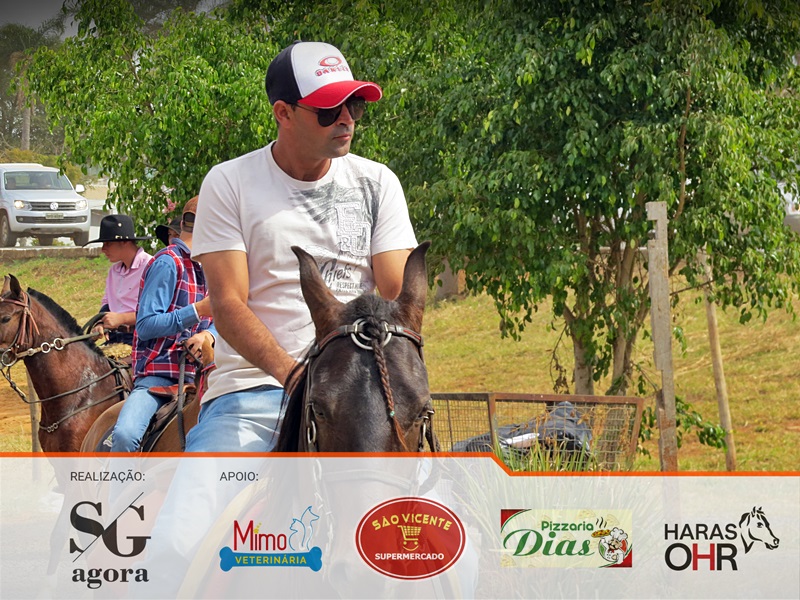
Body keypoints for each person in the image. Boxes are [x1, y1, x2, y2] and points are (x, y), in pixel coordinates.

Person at [189, 40, 418, 452]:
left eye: (354, 106)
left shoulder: (378, 182)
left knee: (442, 492)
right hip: (254, 392)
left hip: (361, 395)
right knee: (194, 498)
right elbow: (228, 304)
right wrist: (296, 378)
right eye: (329, 110)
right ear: (284, 113)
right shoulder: (229, 183)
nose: (346, 119)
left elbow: (398, 297)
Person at [109, 196, 214, 452]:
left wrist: (208, 336)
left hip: (204, 377)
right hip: (159, 377)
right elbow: (145, 325)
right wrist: (196, 311)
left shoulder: (211, 267)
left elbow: (221, 321)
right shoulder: (168, 262)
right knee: (125, 435)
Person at [86, 214, 153, 346]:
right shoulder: (114, 271)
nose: (103, 249)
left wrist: (122, 318)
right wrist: (101, 322)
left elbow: (156, 312)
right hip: (115, 336)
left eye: (108, 243)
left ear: (124, 242)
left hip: (142, 339)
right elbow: (107, 302)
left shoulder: (151, 266)